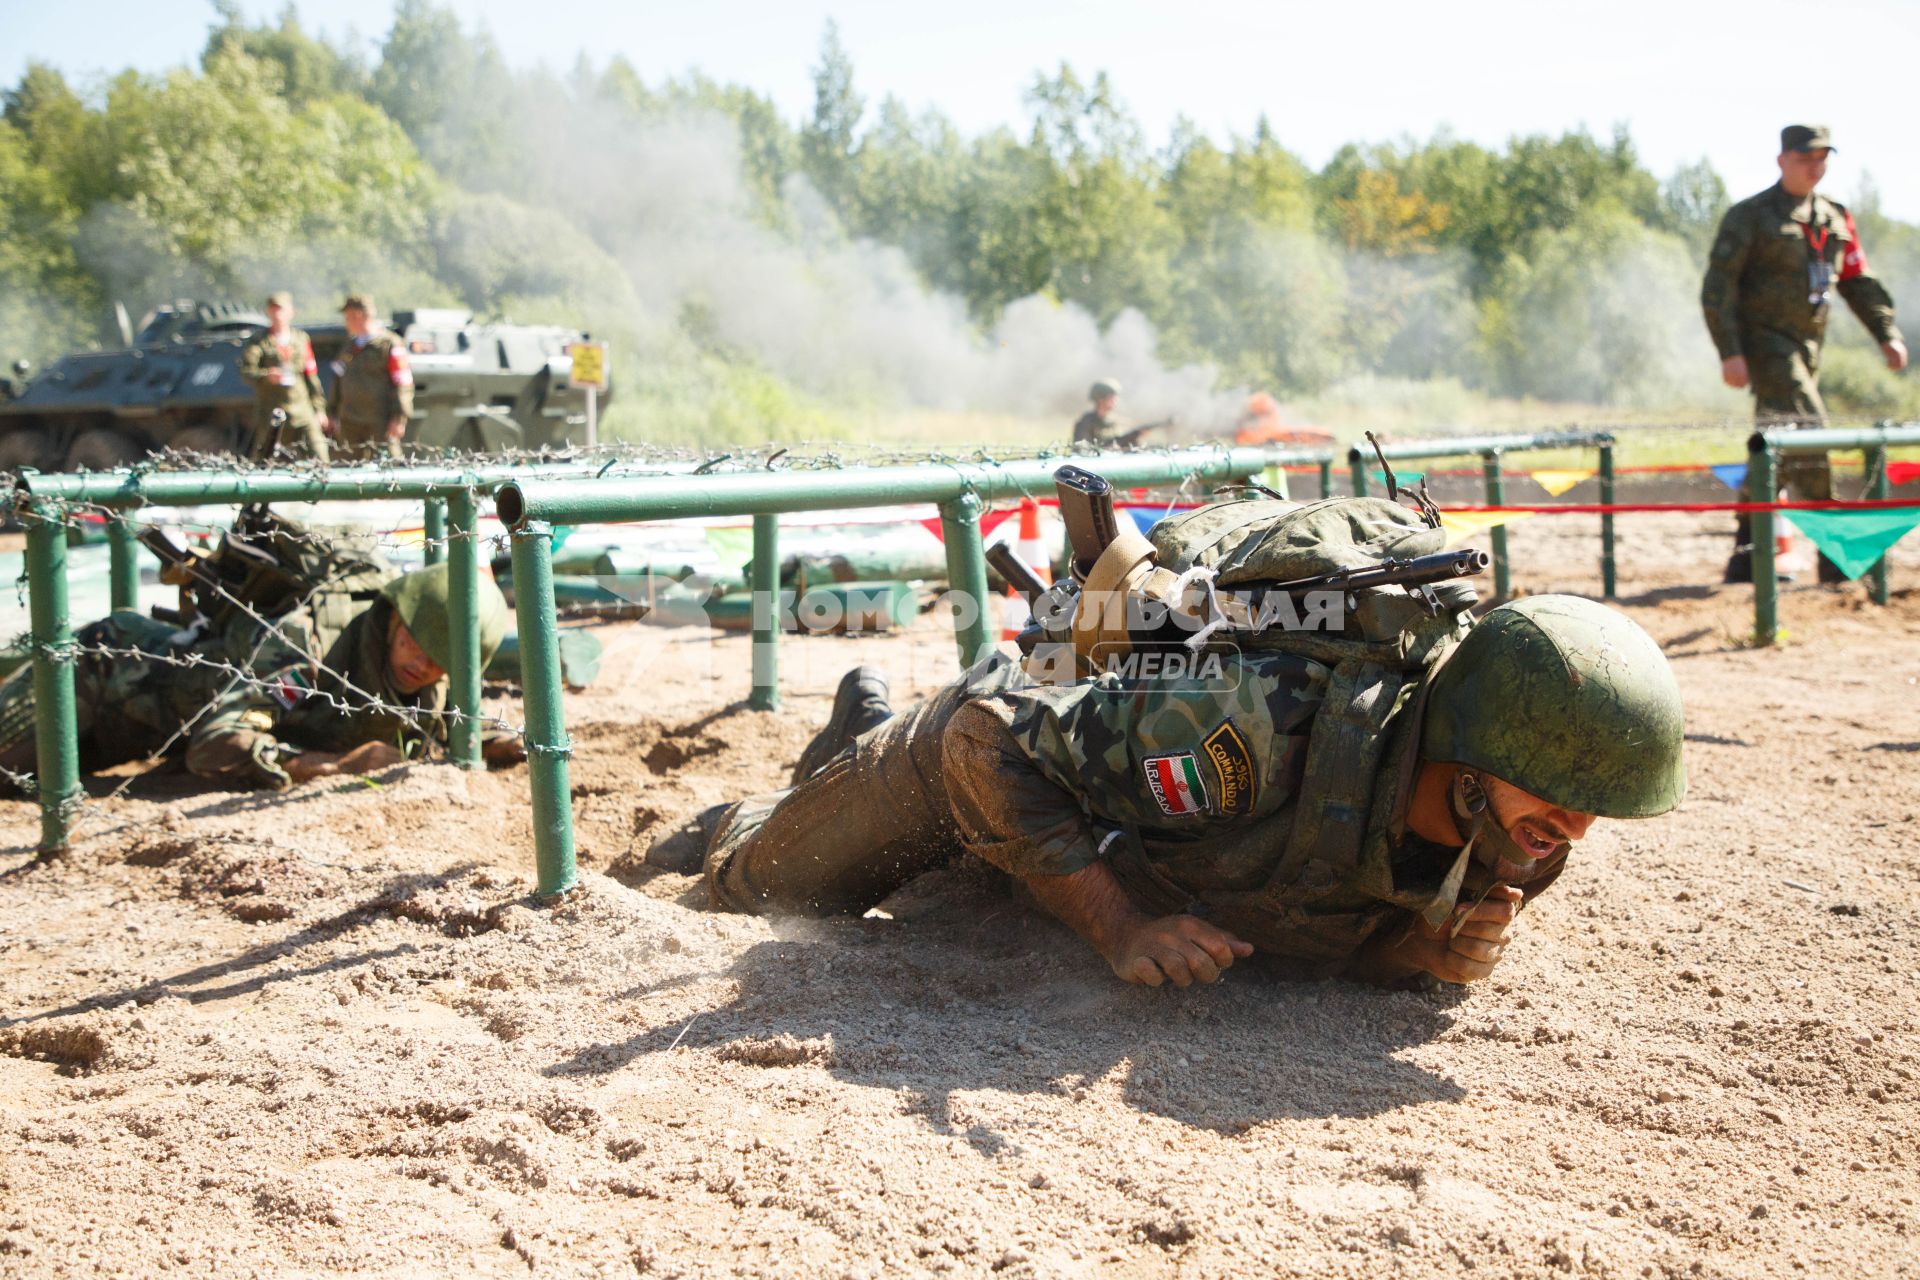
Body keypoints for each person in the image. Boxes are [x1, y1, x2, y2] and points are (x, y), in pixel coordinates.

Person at [656, 591, 1686, 990]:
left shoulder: (1511, 840)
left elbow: (1325, 911)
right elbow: (989, 739)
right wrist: (1121, 926)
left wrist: (1409, 946)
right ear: (1468, 749)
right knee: (762, 888)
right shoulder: (1257, 729)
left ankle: (851, 734)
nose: (1573, 828)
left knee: (961, 877)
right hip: (975, 762)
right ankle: (790, 784)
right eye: (1554, 794)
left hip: (1087, 825)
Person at [0, 562, 514, 792]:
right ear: (393, 618)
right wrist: (336, 765)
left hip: (149, 737)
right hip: (104, 675)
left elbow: (456, 722)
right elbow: (216, 743)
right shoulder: (304, 646)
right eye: (415, 646)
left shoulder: (430, 669)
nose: (423, 666)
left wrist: (504, 741)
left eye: (441, 661)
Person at [1701, 124, 1907, 583]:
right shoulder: (1750, 216)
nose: (1815, 165)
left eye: (1822, 157)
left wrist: (1885, 333)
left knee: (1775, 449)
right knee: (1812, 432)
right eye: (1804, 157)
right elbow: (1717, 289)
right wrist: (1730, 351)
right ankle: (1836, 554)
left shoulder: (1834, 217)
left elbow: (1857, 280)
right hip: (1766, 347)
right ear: (1782, 160)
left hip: (1808, 349)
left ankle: (1746, 555)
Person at [237, 292, 331, 463]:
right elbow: (247, 372)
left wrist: (319, 409)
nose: (277, 314)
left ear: (290, 312)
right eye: (273, 310)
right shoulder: (259, 341)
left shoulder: (300, 340)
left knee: (320, 455)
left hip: (302, 410)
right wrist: (266, 376)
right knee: (265, 459)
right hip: (272, 412)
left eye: (280, 309)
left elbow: (311, 375)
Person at [326, 293, 415, 463]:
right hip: (350, 421)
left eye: (348, 317)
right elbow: (337, 379)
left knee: (388, 465)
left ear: (358, 315)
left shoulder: (388, 345)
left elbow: (403, 383)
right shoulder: (349, 346)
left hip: (379, 420)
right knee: (346, 467)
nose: (346, 321)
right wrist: (331, 411)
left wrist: (399, 417)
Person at [1071, 380, 1125, 446]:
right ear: (1100, 399)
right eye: (1111, 397)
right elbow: (1081, 450)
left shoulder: (1114, 422)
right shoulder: (1085, 423)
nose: (1115, 400)